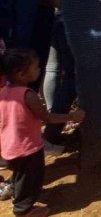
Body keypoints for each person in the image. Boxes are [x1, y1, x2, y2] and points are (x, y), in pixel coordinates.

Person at [0, 48, 84, 216]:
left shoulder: (4, 92)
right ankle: (24, 210)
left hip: (9, 147)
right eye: (36, 67)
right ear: (22, 74)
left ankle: (18, 194)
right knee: (31, 178)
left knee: (19, 175)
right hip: (28, 148)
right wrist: (73, 116)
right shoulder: (28, 95)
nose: (39, 70)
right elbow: (47, 117)